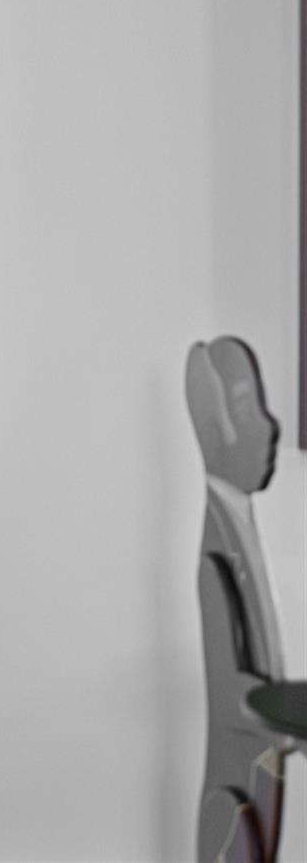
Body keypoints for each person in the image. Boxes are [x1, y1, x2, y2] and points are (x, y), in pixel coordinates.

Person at [186, 336, 290, 863]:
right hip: (239, 786)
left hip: (263, 775)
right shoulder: (215, 552)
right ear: (215, 427)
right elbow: (230, 688)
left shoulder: (240, 527)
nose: (270, 427)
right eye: (248, 408)